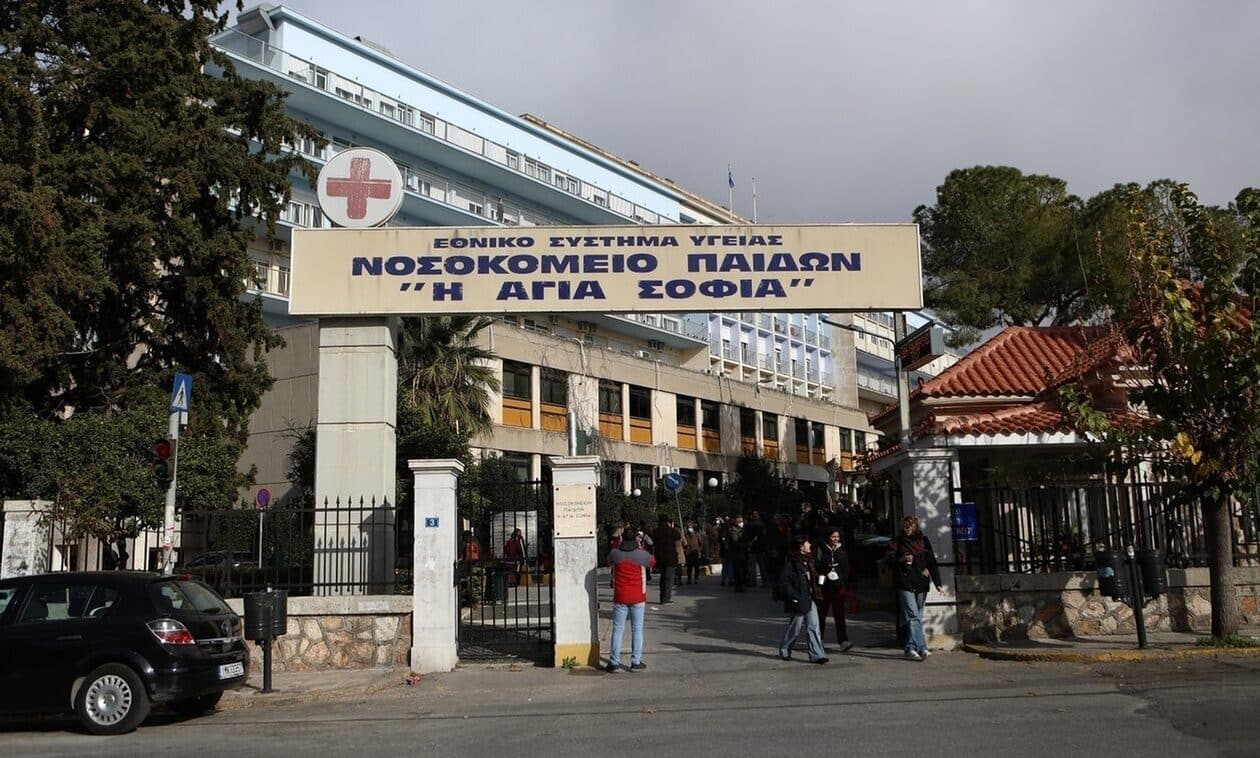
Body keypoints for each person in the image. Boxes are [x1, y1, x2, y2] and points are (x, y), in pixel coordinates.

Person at [887, 515, 942, 661]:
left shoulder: (923, 541)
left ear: (915, 526)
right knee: (912, 615)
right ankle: (922, 647)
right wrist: (902, 559)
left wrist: (938, 583)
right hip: (905, 582)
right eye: (905, 526)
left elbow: (931, 562)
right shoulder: (897, 541)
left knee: (917, 617)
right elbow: (889, 560)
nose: (908, 529)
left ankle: (910, 647)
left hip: (921, 582)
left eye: (910, 526)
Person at [606, 531, 656, 673]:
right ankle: (635, 662)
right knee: (637, 629)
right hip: (638, 597)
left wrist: (616, 541)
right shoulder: (641, 555)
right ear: (635, 539)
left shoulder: (615, 554)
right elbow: (653, 562)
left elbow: (608, 560)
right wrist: (641, 547)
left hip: (620, 597)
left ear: (622, 539)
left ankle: (614, 663)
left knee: (618, 629)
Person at [777, 535, 828, 664]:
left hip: (810, 597)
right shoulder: (792, 561)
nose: (809, 544)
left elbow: (812, 576)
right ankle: (785, 649)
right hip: (799, 599)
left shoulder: (810, 559)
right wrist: (793, 597)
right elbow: (784, 581)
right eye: (807, 542)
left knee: (814, 626)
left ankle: (817, 655)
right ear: (800, 546)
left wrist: (819, 580)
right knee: (795, 627)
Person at [815, 529, 852, 652]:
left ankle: (843, 641)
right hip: (824, 585)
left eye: (837, 537)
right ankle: (819, 640)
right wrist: (827, 569)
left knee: (840, 614)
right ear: (828, 537)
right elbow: (816, 566)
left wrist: (843, 582)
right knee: (821, 614)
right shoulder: (820, 550)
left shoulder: (841, 551)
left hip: (838, 587)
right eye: (833, 536)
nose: (836, 539)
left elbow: (845, 569)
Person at [652, 515, 682, 604]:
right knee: (669, 579)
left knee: (663, 578)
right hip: (670, 558)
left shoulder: (656, 531)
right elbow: (678, 536)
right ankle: (666, 598)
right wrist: (671, 526)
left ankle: (662, 597)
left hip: (660, 558)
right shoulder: (671, 531)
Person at [726, 514, 749, 592]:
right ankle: (739, 586)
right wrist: (746, 544)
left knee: (743, 570)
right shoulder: (734, 530)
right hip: (737, 554)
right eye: (740, 521)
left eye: (742, 521)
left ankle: (741, 585)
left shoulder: (741, 529)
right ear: (736, 522)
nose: (742, 523)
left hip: (742, 554)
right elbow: (736, 542)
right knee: (738, 571)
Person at [745, 510, 768, 587]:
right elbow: (764, 536)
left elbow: (746, 535)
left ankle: (752, 582)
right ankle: (765, 582)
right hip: (761, 548)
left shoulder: (749, 525)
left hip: (752, 547)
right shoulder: (762, 524)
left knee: (752, 566)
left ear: (752, 516)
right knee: (762, 566)